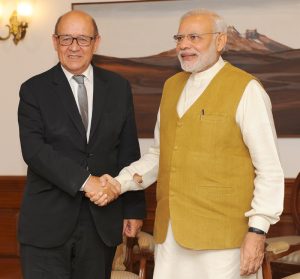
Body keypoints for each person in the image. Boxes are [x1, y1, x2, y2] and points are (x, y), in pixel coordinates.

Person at [90, 9, 285, 279]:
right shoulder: (171, 86)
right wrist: (118, 183)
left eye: (194, 37)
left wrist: (257, 231)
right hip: (170, 239)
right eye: (179, 37)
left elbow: (269, 169)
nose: (183, 45)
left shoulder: (247, 89)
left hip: (224, 241)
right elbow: (160, 155)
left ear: (220, 42)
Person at [17, 10, 145, 279]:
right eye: (66, 39)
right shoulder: (33, 90)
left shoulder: (119, 88)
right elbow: (35, 152)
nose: (74, 47)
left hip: (101, 224)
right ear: (54, 42)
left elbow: (128, 151)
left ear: (96, 42)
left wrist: (133, 208)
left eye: (83, 39)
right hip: (46, 225)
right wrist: (87, 181)